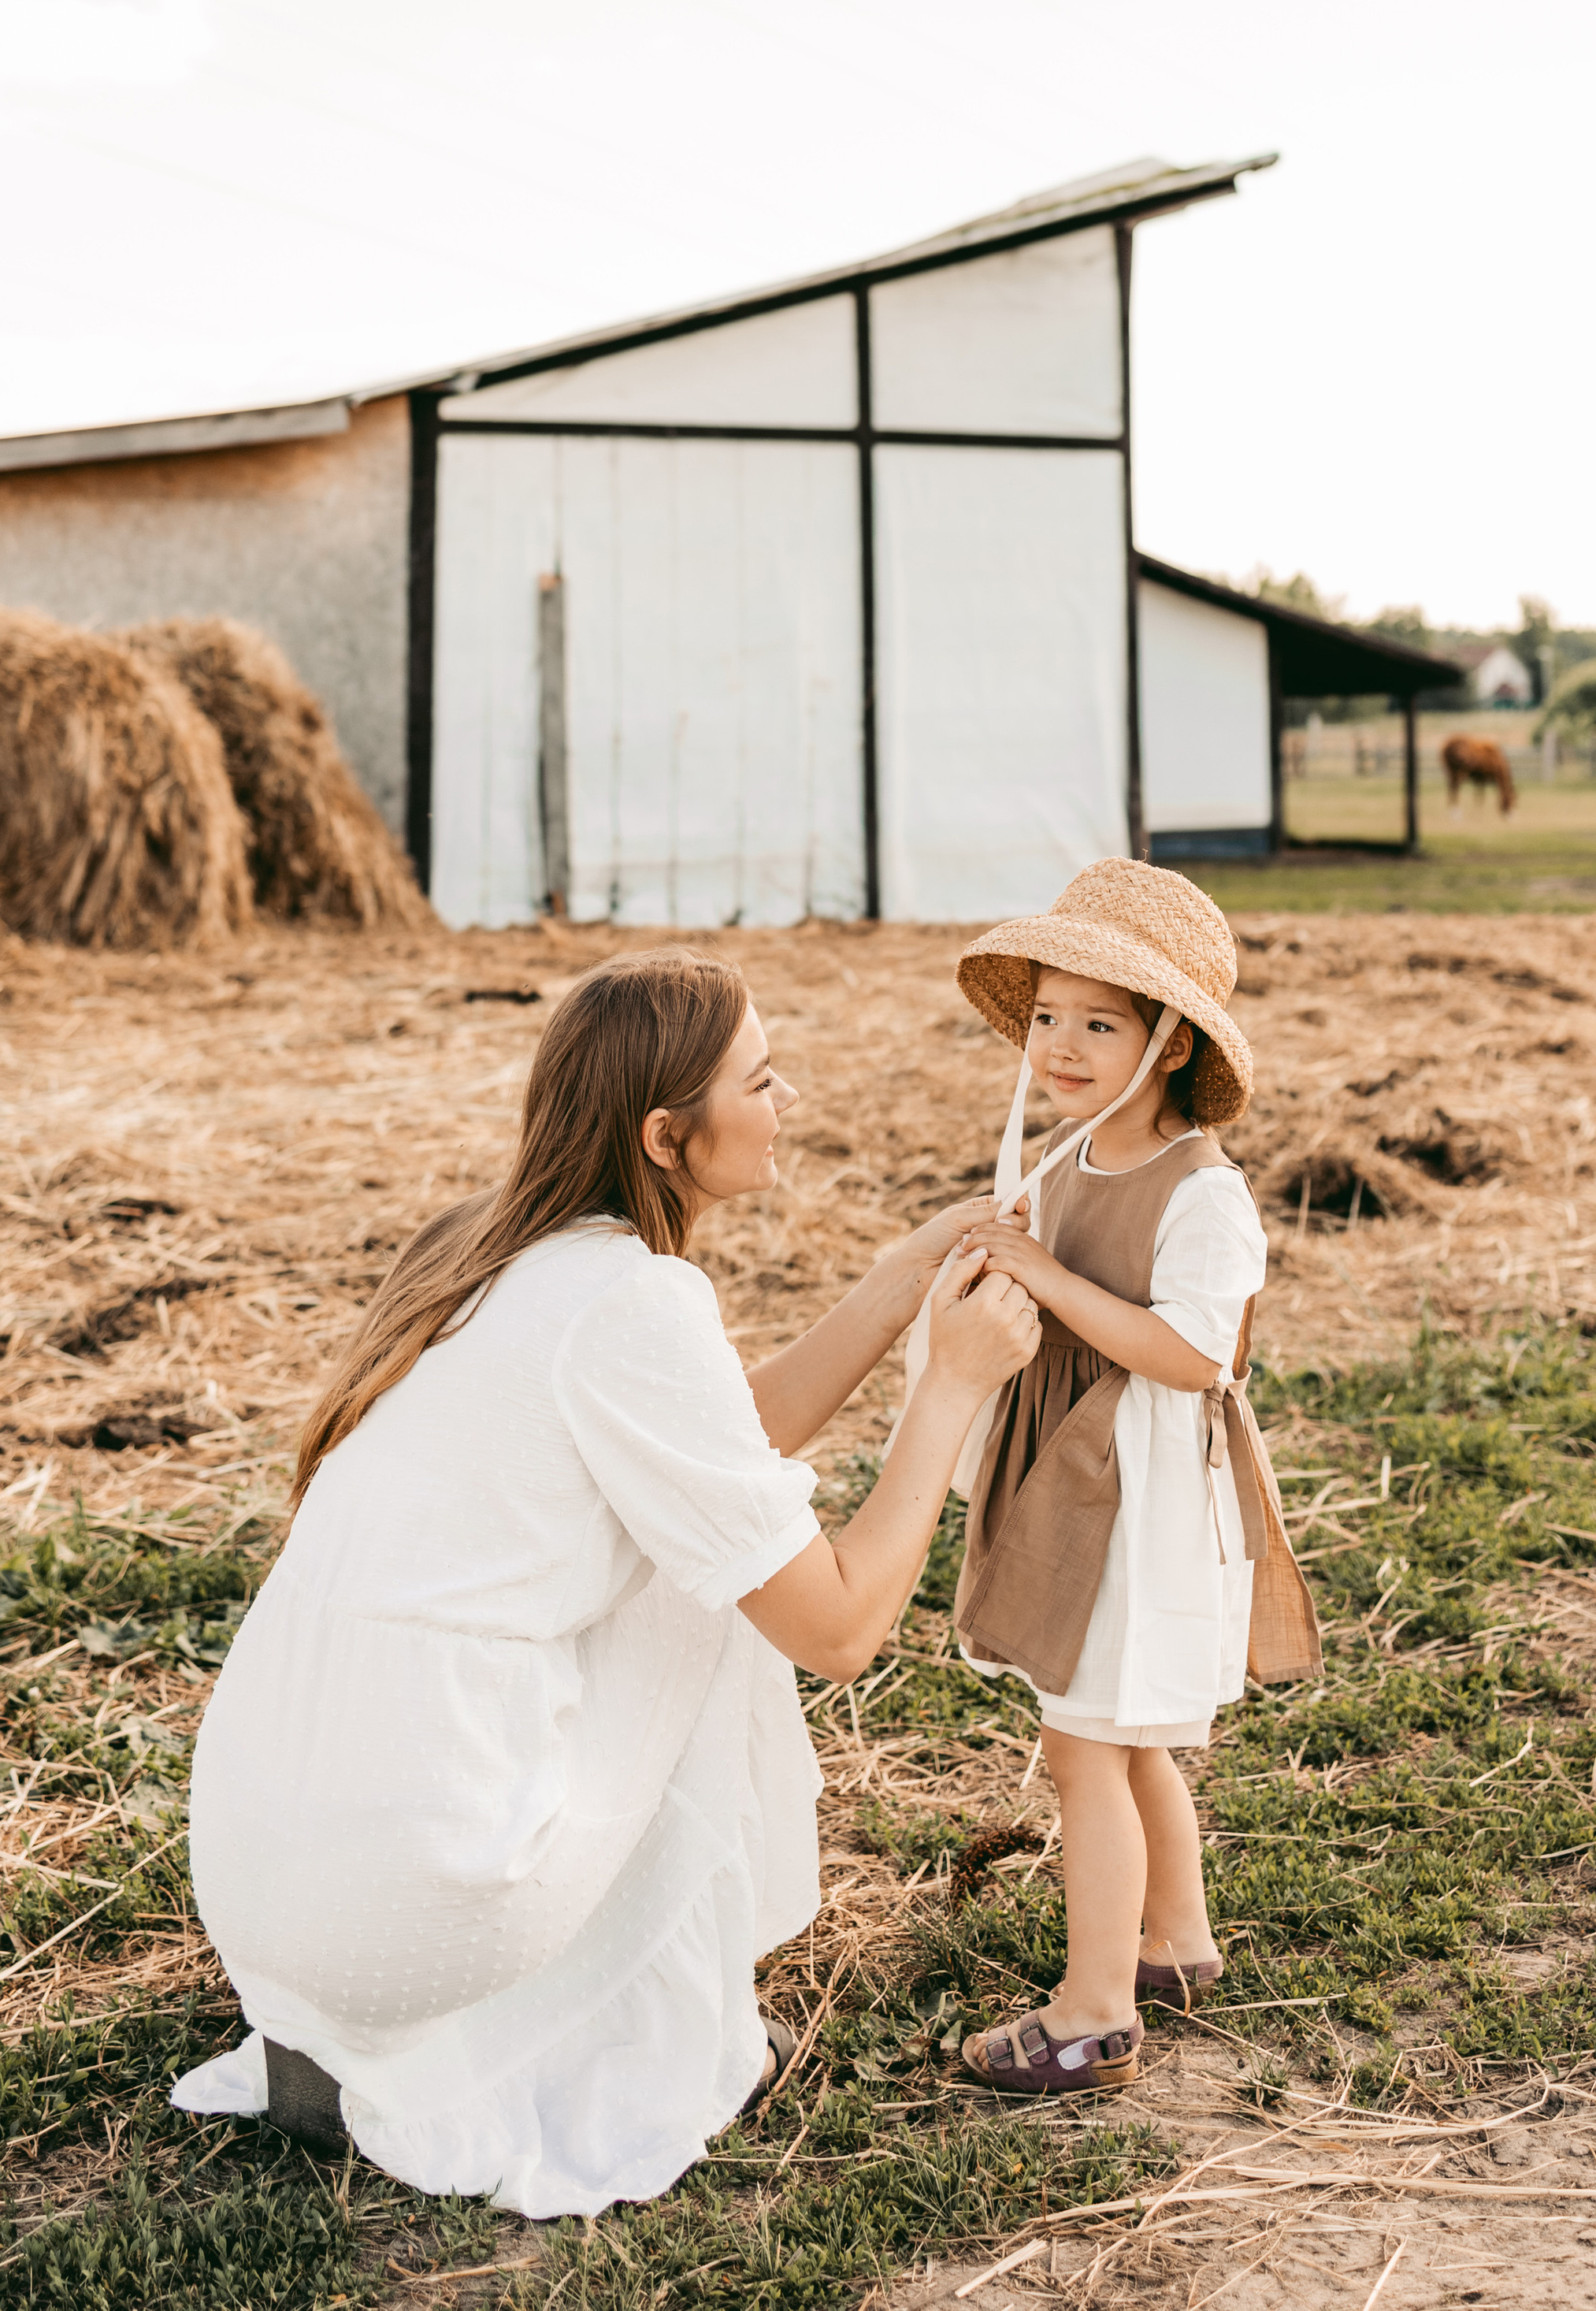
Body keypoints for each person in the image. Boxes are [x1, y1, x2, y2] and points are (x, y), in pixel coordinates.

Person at [170, 946, 1035, 2216]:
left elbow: (708, 1443)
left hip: (270, 1881)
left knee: (712, 1532)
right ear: (667, 1137)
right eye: (762, 1077)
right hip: (417, 1895)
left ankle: (371, 2038)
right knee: (725, 1582)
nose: (787, 1095)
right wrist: (952, 1386)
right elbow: (840, 1626)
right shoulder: (634, 1301)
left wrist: (899, 1286)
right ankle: (670, 2036)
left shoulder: (484, 1252)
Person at [918, 859, 1319, 2097]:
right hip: (1069, 1477)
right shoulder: (1066, 1158)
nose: (1063, 1046)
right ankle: (1175, 1943)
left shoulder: (1205, 1193)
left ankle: (1095, 2011)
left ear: (1170, 1041)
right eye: (1047, 1017)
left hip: (1139, 1501)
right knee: (1126, 1736)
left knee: (1088, 1744)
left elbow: (1196, 1356)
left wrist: (1044, 1281)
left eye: (1102, 1022)